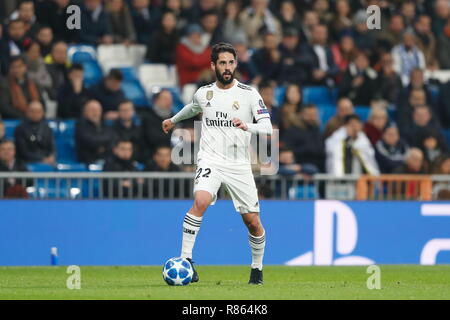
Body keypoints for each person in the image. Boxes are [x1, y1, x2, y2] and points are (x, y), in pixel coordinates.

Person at [161, 43, 273, 285]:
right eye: (222, 63)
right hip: (210, 158)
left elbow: (266, 126)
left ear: (236, 65)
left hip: (239, 164)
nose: (227, 67)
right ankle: (186, 260)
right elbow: (193, 108)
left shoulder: (249, 93)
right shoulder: (203, 93)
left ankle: (257, 268)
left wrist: (248, 126)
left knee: (252, 222)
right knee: (200, 201)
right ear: (213, 65)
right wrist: (173, 119)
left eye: (231, 63)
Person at [282, 104, 325, 173]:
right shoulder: (292, 131)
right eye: (309, 115)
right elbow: (287, 152)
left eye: (314, 115)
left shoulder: (317, 131)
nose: (312, 117)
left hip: (319, 170)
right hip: (300, 170)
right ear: (301, 114)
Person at [75, 100, 113, 164]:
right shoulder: (81, 125)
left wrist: (103, 146)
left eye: (98, 110)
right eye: (92, 110)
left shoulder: (105, 125)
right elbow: (90, 141)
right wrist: (104, 145)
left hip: (106, 160)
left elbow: (113, 138)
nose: (96, 112)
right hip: (88, 161)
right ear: (85, 112)